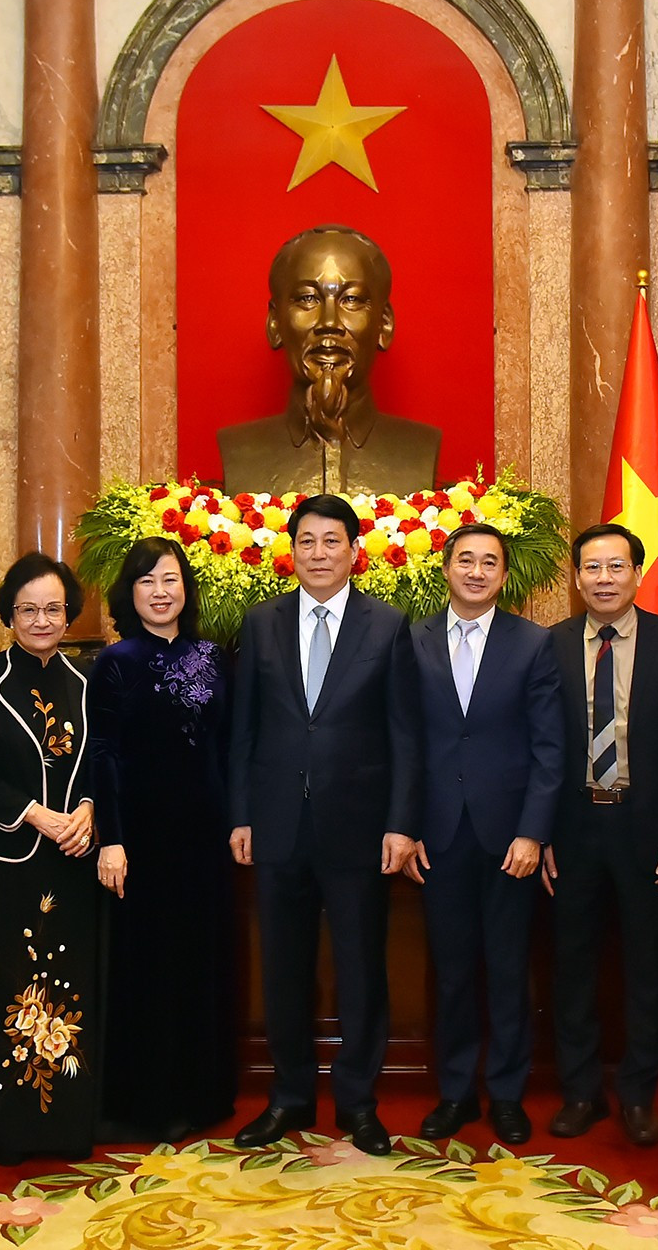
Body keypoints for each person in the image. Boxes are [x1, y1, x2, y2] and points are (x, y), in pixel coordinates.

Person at [228, 494, 422, 1156]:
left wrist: (400, 823)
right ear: (292, 550)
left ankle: (359, 1103)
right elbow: (244, 730)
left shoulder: (389, 624)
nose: (318, 553)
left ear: (353, 550)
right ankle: (288, 1097)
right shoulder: (261, 623)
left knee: (362, 968)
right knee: (283, 969)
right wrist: (242, 814)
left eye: (331, 541)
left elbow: (404, 732)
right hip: (278, 825)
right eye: (306, 541)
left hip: (359, 828)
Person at [544, 523, 658, 1148]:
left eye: (616, 567)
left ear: (637, 574)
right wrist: (541, 832)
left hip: (645, 828)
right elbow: (541, 749)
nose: (604, 579)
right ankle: (581, 1090)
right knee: (572, 963)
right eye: (592, 568)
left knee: (645, 965)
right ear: (576, 577)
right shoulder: (549, 644)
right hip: (572, 825)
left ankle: (639, 1089)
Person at [409, 523, 564, 1146]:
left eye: (489, 563)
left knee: (506, 969)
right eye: (465, 560)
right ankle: (454, 1094)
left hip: (509, 840)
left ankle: (505, 1093)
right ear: (445, 568)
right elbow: (404, 740)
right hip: (438, 835)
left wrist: (533, 833)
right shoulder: (412, 637)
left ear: (505, 575)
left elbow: (550, 747)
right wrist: (410, 825)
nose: (476, 571)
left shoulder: (532, 643)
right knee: (450, 972)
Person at [0, 552, 99, 1165]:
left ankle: (64, 1124)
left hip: (72, 860)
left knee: (67, 986)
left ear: (70, 616)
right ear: (9, 615)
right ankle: (8, 1127)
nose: (41, 620)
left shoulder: (87, 682)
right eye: (28, 609)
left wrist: (88, 808)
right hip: (2, 860)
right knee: (7, 985)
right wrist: (34, 813)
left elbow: (100, 764)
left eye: (53, 609)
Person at [86, 537, 235, 1142]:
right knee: (145, 967)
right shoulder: (115, 661)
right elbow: (104, 754)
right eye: (147, 581)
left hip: (205, 838)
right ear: (131, 592)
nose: (160, 591)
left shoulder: (216, 655)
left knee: (202, 962)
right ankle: (144, 1100)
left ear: (186, 588)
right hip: (140, 840)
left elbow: (230, 746)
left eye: (170, 579)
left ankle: (201, 1095)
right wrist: (112, 839)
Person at [217, 225, 441, 495]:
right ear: (275, 323)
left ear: (384, 324)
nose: (329, 323)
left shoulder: (420, 448)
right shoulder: (240, 450)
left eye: (352, 300)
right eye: (308, 299)